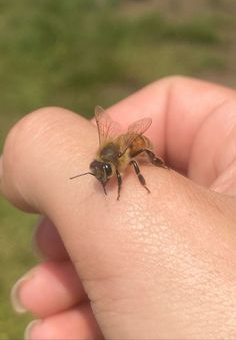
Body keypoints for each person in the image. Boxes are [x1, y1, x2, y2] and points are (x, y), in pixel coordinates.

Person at [1, 76, 236, 340]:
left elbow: (130, 164)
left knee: (140, 160)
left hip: (136, 144)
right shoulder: (102, 157)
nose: (104, 178)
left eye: (105, 173)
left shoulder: (122, 158)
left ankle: (155, 170)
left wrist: (128, 190)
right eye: (100, 173)